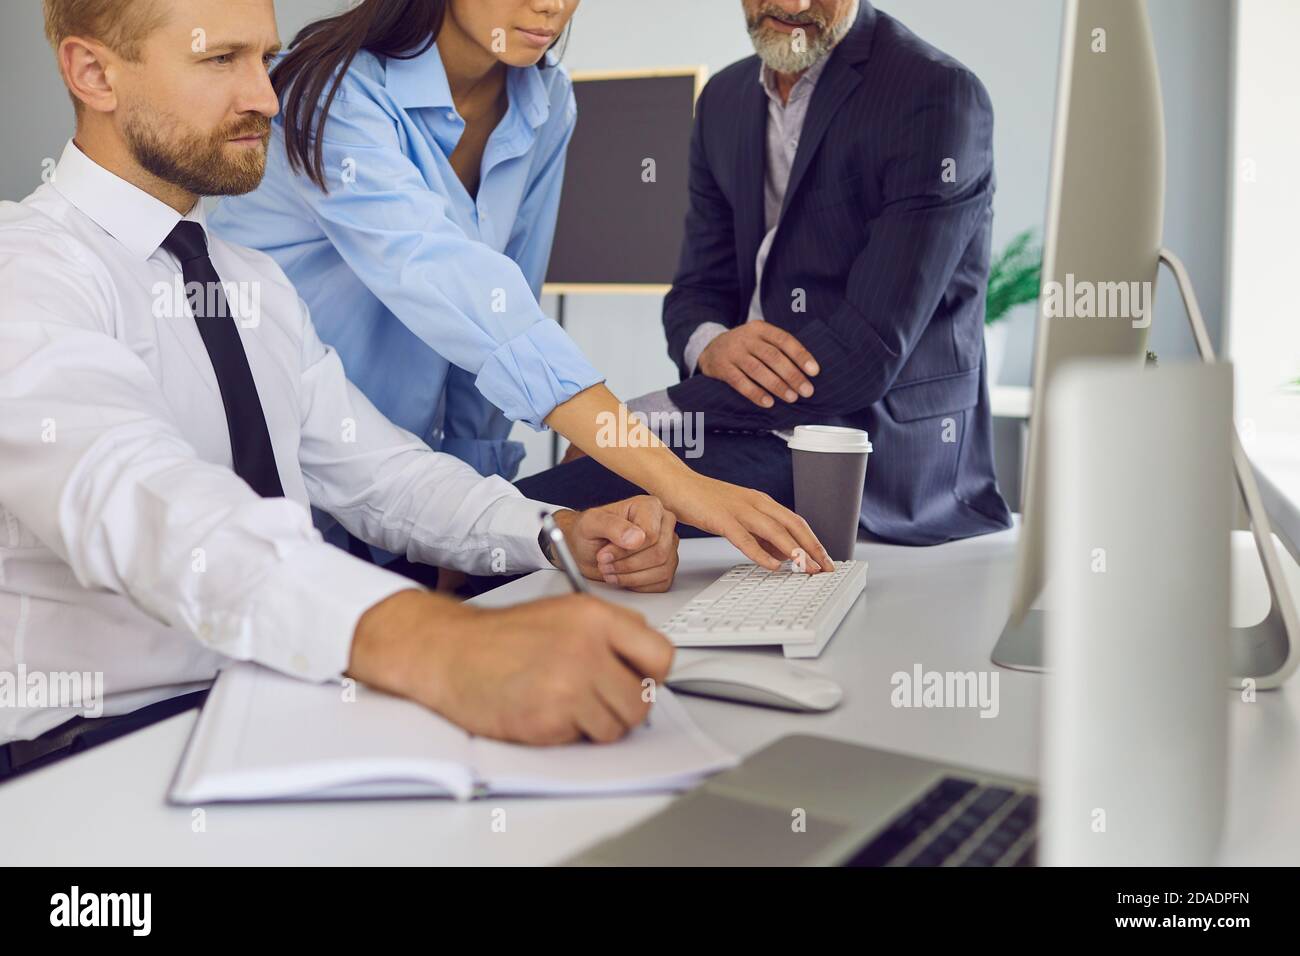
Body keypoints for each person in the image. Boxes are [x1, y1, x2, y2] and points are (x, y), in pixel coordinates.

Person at [0, 0, 680, 778]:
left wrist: (552, 532)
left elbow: (379, 474)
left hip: (274, 710)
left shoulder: (252, 280)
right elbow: (144, 501)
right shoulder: (25, 273)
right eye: (221, 60)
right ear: (94, 74)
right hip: (95, 758)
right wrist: (438, 643)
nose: (265, 96)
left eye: (265, 59)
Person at [209, 0, 833, 577]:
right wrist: (676, 480)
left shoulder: (544, 100)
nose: (552, 6)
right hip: (290, 472)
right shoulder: (334, 95)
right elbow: (457, 286)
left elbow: (511, 295)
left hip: (415, 492)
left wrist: (473, 528)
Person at [517, 0, 1013, 547]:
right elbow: (693, 295)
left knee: (542, 518)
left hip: (871, 453)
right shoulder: (724, 100)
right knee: (522, 515)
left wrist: (630, 422)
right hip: (738, 422)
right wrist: (712, 344)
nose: (795, 5)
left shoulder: (937, 96)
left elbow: (865, 354)